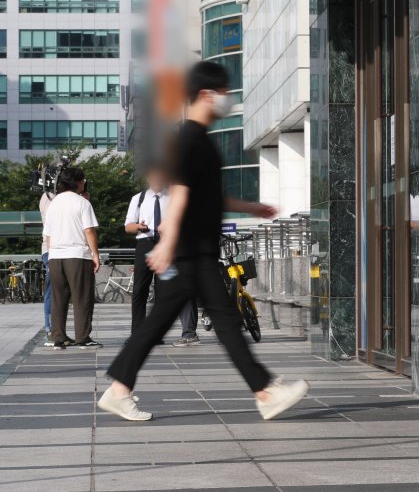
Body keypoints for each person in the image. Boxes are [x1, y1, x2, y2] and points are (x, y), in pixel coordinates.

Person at [98, 61, 309, 422]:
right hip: (191, 252)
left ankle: (120, 389)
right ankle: (264, 392)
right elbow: (179, 195)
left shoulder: (197, 140)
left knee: (179, 322)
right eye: (225, 93)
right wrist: (167, 244)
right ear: (208, 95)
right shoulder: (190, 139)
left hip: (196, 251)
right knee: (217, 322)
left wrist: (251, 207)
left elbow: (206, 198)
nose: (227, 100)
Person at [125, 165, 199, 346]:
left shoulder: (173, 197)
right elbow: (128, 226)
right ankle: (138, 333)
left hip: (167, 246)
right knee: (140, 290)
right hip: (145, 245)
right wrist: (139, 227)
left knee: (165, 289)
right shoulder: (139, 199)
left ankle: (164, 333)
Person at [43, 167, 102, 350]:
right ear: (78, 182)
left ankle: (58, 338)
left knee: (58, 298)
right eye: (83, 180)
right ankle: (82, 337)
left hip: (55, 255)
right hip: (77, 255)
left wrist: (53, 253)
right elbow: (89, 230)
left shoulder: (54, 203)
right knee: (82, 297)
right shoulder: (82, 203)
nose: (84, 183)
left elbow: (48, 234)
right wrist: (95, 254)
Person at [39, 190, 55, 346]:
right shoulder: (49, 197)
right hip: (52, 250)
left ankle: (55, 330)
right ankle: (50, 330)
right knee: (52, 290)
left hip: (55, 250)